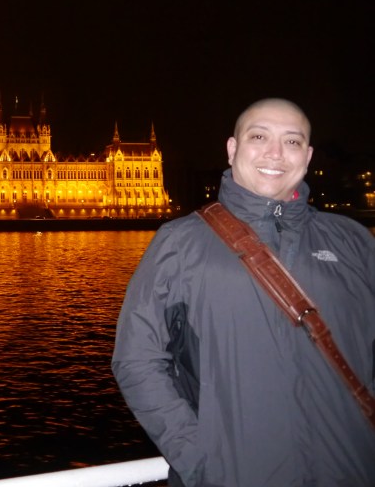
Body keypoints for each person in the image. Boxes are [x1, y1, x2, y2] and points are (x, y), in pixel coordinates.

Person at [112, 98, 375, 486]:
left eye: (292, 141)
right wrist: (202, 458)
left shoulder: (352, 240)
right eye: (258, 136)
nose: (275, 153)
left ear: (307, 156)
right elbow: (137, 360)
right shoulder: (180, 242)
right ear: (233, 150)